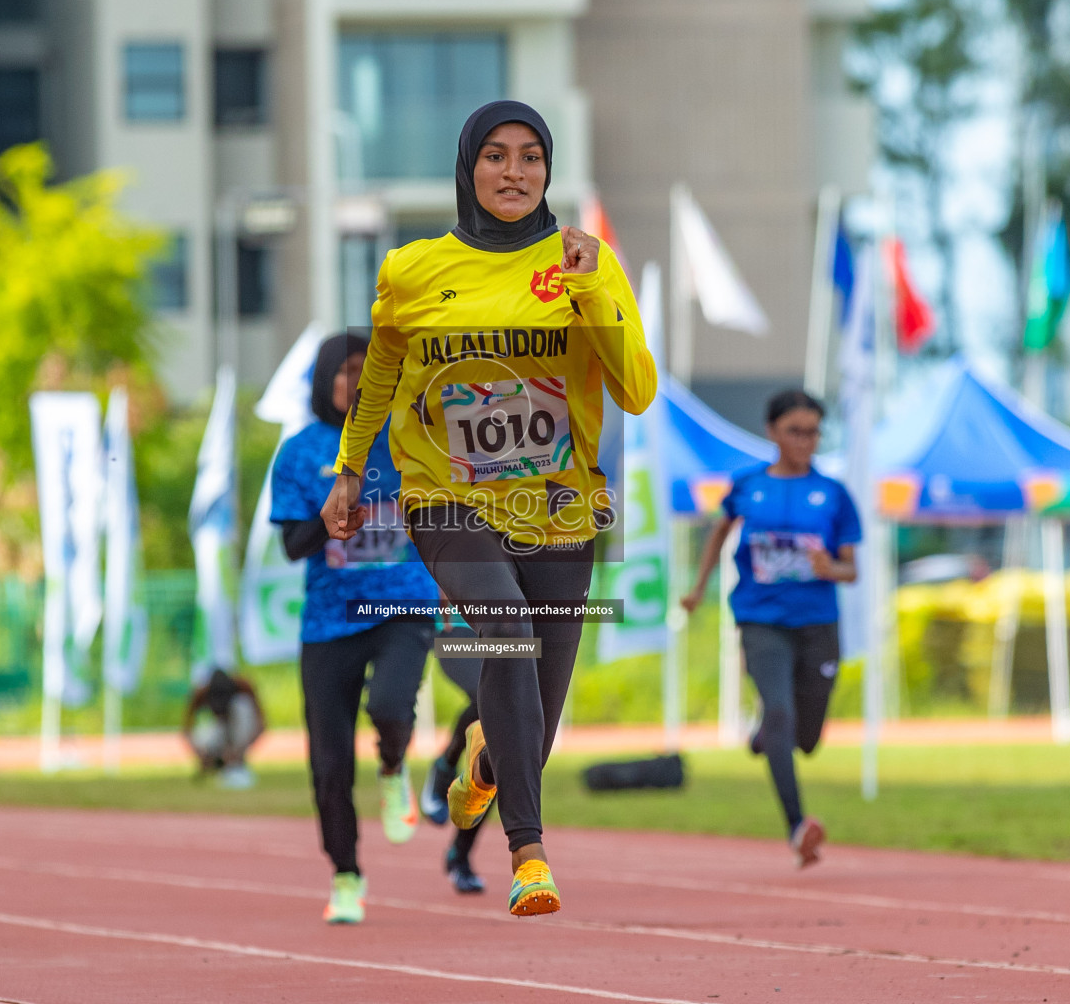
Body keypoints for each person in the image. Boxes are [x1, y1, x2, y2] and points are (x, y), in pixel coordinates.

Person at [322, 100, 656, 916]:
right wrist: (346, 473)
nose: (515, 172)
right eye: (497, 157)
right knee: (503, 633)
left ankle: (480, 767)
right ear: (468, 167)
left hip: (559, 505)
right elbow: (379, 384)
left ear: (548, 170)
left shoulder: (586, 260)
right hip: (444, 496)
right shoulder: (412, 269)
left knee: (534, 721)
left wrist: (590, 295)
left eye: (532, 157)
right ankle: (529, 855)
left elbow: (636, 391)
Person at [270, 332, 439, 925]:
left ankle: (393, 766)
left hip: (404, 604)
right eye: (347, 372)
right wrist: (328, 519)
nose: (359, 382)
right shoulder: (298, 453)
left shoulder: (412, 439)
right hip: (329, 618)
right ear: (325, 380)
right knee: (329, 764)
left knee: (392, 703)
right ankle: (346, 874)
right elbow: (293, 548)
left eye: (371, 371)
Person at [682, 389, 861, 869]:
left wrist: (829, 568)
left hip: (817, 622)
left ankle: (766, 736)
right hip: (761, 620)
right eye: (795, 431)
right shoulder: (747, 486)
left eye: (813, 432)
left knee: (805, 738)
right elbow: (720, 530)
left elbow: (852, 570)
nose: (805, 441)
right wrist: (699, 587)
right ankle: (798, 826)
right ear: (773, 431)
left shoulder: (835, 494)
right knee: (779, 711)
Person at [419, 615, 490, 895]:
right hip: (454, 623)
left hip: (506, 625)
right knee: (486, 694)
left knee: (499, 740)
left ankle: (460, 854)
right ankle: (446, 762)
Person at [182, 667, 265, 788]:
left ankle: (236, 764)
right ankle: (218, 762)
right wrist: (201, 754)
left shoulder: (243, 687)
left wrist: (239, 751)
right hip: (218, 728)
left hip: (240, 728)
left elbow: (262, 726)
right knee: (205, 736)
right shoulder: (201, 693)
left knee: (242, 706)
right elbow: (186, 730)